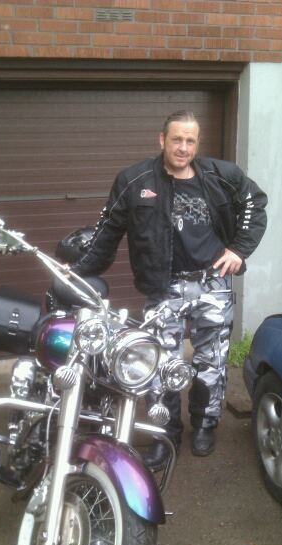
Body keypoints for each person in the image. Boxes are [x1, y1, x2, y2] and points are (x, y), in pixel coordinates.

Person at [72, 110, 267, 469]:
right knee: (158, 363)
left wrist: (239, 250)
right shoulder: (135, 180)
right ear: (162, 139)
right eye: (177, 139)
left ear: (197, 143)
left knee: (212, 362)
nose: (183, 147)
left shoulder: (222, 176)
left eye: (190, 140)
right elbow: (108, 231)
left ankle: (205, 425)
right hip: (164, 287)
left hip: (213, 284)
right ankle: (165, 433)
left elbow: (256, 204)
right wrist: (78, 272)